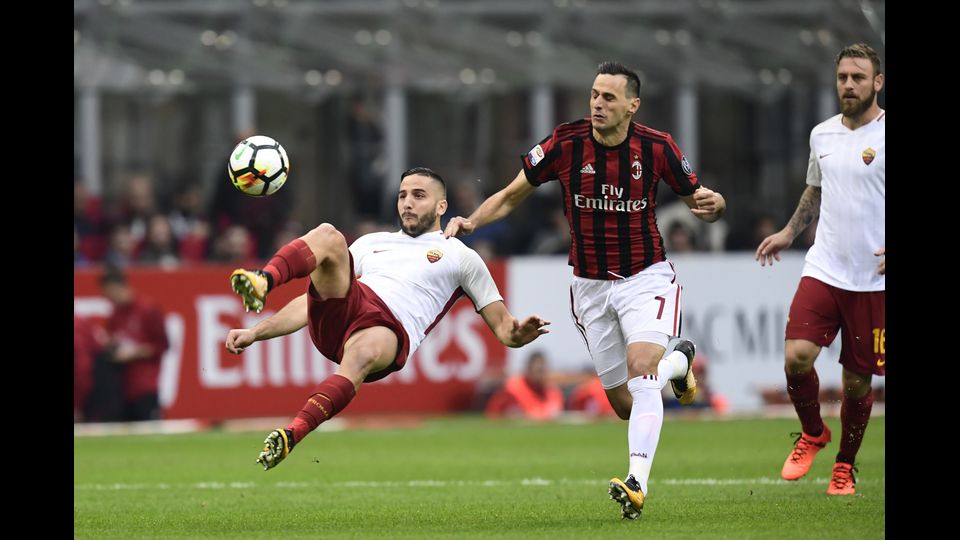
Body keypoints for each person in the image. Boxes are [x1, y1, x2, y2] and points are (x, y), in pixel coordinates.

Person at [444, 61, 727, 519]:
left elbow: (703, 201)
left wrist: (716, 207)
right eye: (594, 94)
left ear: (632, 106)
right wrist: (472, 221)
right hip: (589, 287)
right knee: (623, 403)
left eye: (609, 97)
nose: (598, 103)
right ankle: (680, 361)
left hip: (645, 277)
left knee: (641, 368)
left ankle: (637, 483)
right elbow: (514, 193)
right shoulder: (565, 143)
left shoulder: (657, 148)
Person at [225, 167, 551, 470]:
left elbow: (506, 331)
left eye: (418, 196)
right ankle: (263, 279)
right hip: (346, 308)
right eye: (402, 195)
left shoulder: (461, 257)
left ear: (442, 206)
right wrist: (256, 332)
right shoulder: (371, 243)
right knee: (328, 234)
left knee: (363, 354)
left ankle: (292, 434)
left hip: (387, 328)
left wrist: (521, 332)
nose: (407, 203)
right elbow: (308, 305)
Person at [755, 43, 884, 496]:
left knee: (855, 382)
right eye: (843, 77)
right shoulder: (822, 135)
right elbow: (815, 191)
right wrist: (790, 232)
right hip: (825, 267)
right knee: (796, 357)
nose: (848, 85)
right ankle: (813, 432)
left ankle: (844, 467)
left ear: (877, 83)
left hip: (874, 281)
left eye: (858, 77)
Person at [101, 267, 170, 421]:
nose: (110, 299)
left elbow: (162, 345)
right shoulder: (115, 316)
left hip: (145, 386)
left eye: (111, 293)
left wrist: (134, 353)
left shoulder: (147, 310)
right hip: (122, 388)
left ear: (120, 287)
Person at [484, 351, 563, 420]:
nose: (539, 375)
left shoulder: (551, 390)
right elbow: (493, 412)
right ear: (528, 369)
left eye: (542, 371)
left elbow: (555, 412)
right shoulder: (512, 387)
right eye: (537, 371)